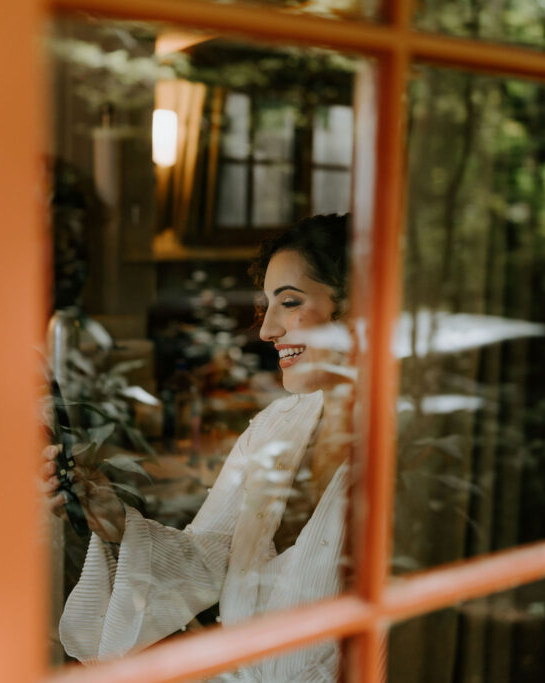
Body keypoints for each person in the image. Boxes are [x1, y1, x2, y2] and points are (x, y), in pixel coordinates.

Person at [43, 214, 354, 681]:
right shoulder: (274, 428)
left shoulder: (412, 455)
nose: (267, 330)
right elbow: (207, 554)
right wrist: (112, 520)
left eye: (289, 303)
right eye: (266, 305)